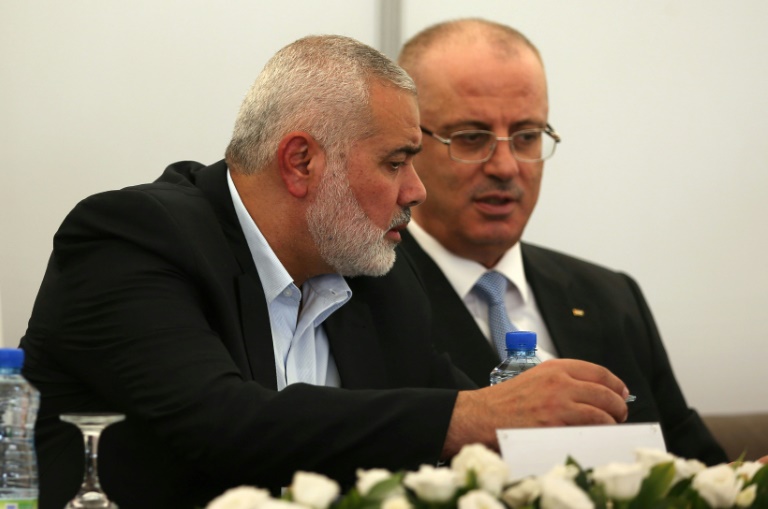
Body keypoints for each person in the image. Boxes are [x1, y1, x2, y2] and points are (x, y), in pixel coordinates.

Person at [20, 35, 632, 509]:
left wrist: (541, 418)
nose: (416, 191)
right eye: (395, 162)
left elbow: (452, 412)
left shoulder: (378, 276)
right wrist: (472, 416)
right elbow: (224, 426)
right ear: (301, 161)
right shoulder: (130, 240)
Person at [396, 18, 729, 465]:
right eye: (471, 138)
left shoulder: (610, 296)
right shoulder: (363, 298)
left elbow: (696, 465)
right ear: (410, 143)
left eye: (527, 136)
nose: (506, 167)